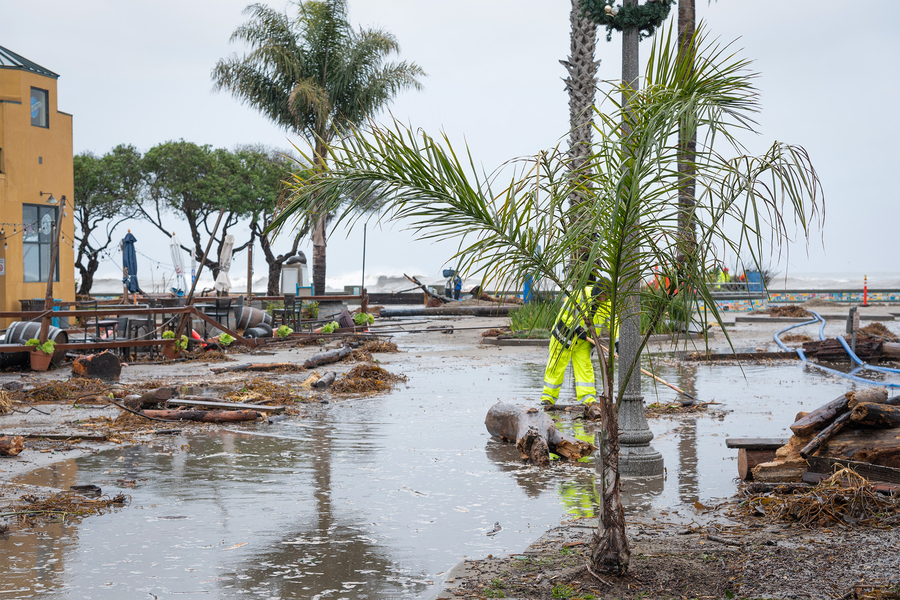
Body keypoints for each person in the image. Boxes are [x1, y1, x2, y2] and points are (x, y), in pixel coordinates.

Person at [540, 277, 617, 405]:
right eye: (603, 295)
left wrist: (618, 342)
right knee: (556, 367)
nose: (604, 298)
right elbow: (565, 315)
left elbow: (615, 323)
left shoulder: (607, 304)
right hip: (563, 338)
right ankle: (548, 398)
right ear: (598, 290)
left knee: (585, 368)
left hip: (583, 343)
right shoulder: (579, 295)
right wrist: (577, 329)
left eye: (607, 296)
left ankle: (588, 400)